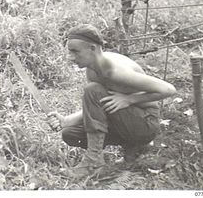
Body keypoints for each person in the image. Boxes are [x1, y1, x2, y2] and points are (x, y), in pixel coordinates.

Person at [48, 24, 176, 179]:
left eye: (75, 51)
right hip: (126, 122)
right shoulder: (92, 69)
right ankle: (132, 148)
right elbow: (99, 106)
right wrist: (67, 120)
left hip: (145, 124)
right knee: (70, 134)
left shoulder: (115, 71)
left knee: (92, 90)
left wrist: (129, 99)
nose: (71, 57)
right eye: (70, 51)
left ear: (92, 48)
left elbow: (168, 89)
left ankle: (93, 162)